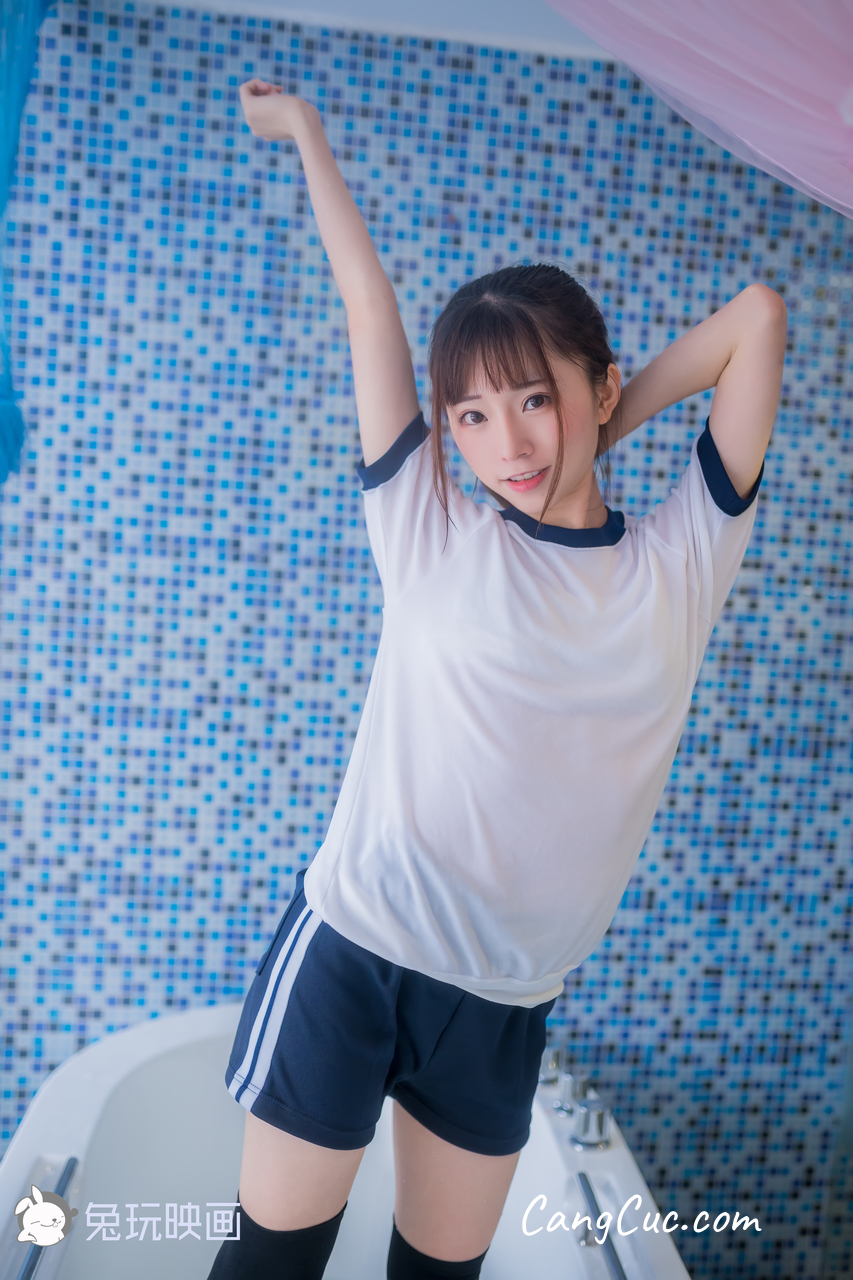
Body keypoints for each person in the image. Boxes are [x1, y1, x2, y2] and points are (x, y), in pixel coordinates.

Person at [207, 78, 787, 1280]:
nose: (505, 440)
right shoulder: (431, 529)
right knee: (271, 1265)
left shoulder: (678, 560)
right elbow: (370, 306)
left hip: (504, 1000)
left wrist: (604, 427)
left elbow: (755, 318)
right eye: (469, 416)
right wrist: (309, 134)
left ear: (598, 383)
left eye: (534, 398)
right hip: (355, 951)